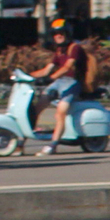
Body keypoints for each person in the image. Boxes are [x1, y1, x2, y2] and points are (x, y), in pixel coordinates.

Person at [35, 21, 87, 154]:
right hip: (59, 81)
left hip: (73, 83)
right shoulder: (59, 50)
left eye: (61, 33)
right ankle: (31, 131)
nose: (58, 36)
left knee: (60, 112)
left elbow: (67, 67)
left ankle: (53, 144)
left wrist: (51, 78)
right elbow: (47, 69)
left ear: (67, 34)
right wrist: (25, 76)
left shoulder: (74, 48)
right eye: (55, 34)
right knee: (39, 104)